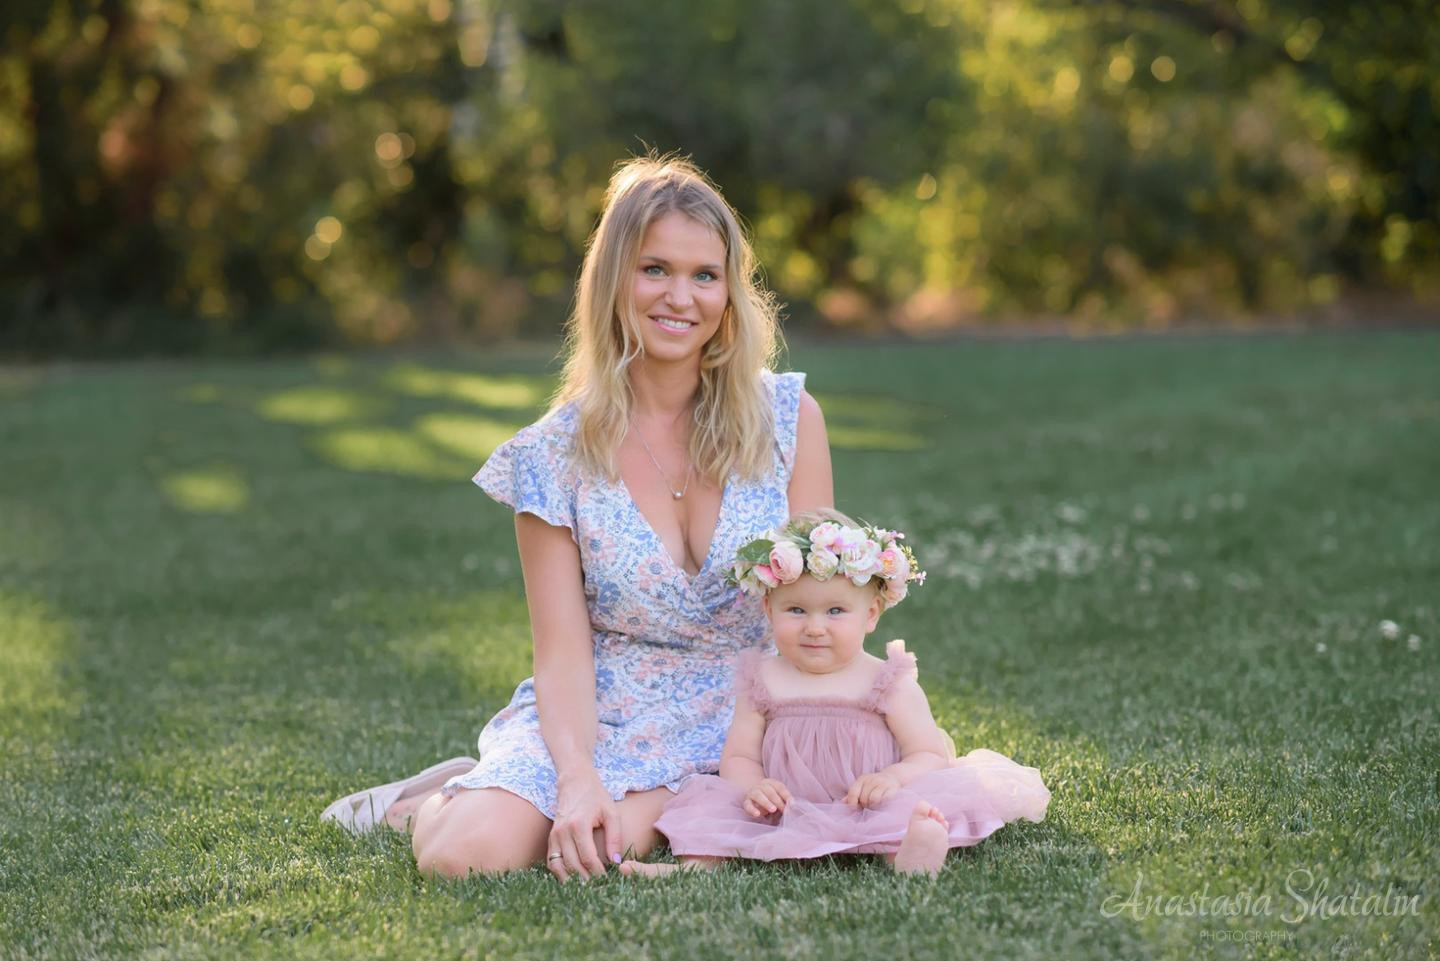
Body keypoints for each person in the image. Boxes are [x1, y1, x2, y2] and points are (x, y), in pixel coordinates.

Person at [320, 153, 833, 881]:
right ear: (614, 280)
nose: (680, 297)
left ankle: (662, 806)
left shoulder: (788, 418)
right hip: (608, 702)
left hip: (751, 712)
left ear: (729, 292)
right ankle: (430, 798)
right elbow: (562, 653)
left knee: (612, 838)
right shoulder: (552, 456)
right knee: (463, 856)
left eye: (704, 275)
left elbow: (823, 600)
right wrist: (576, 775)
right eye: (654, 269)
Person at [619, 509, 1050, 878]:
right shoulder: (761, 678)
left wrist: (891, 779)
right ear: (769, 609)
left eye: (836, 611)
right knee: (714, 811)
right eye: (796, 610)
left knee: (899, 815)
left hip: (867, 802)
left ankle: (908, 856)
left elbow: (929, 753)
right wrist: (756, 786)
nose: (815, 627)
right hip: (783, 808)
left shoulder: (888, 679)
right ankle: (694, 867)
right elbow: (739, 757)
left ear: (872, 614)